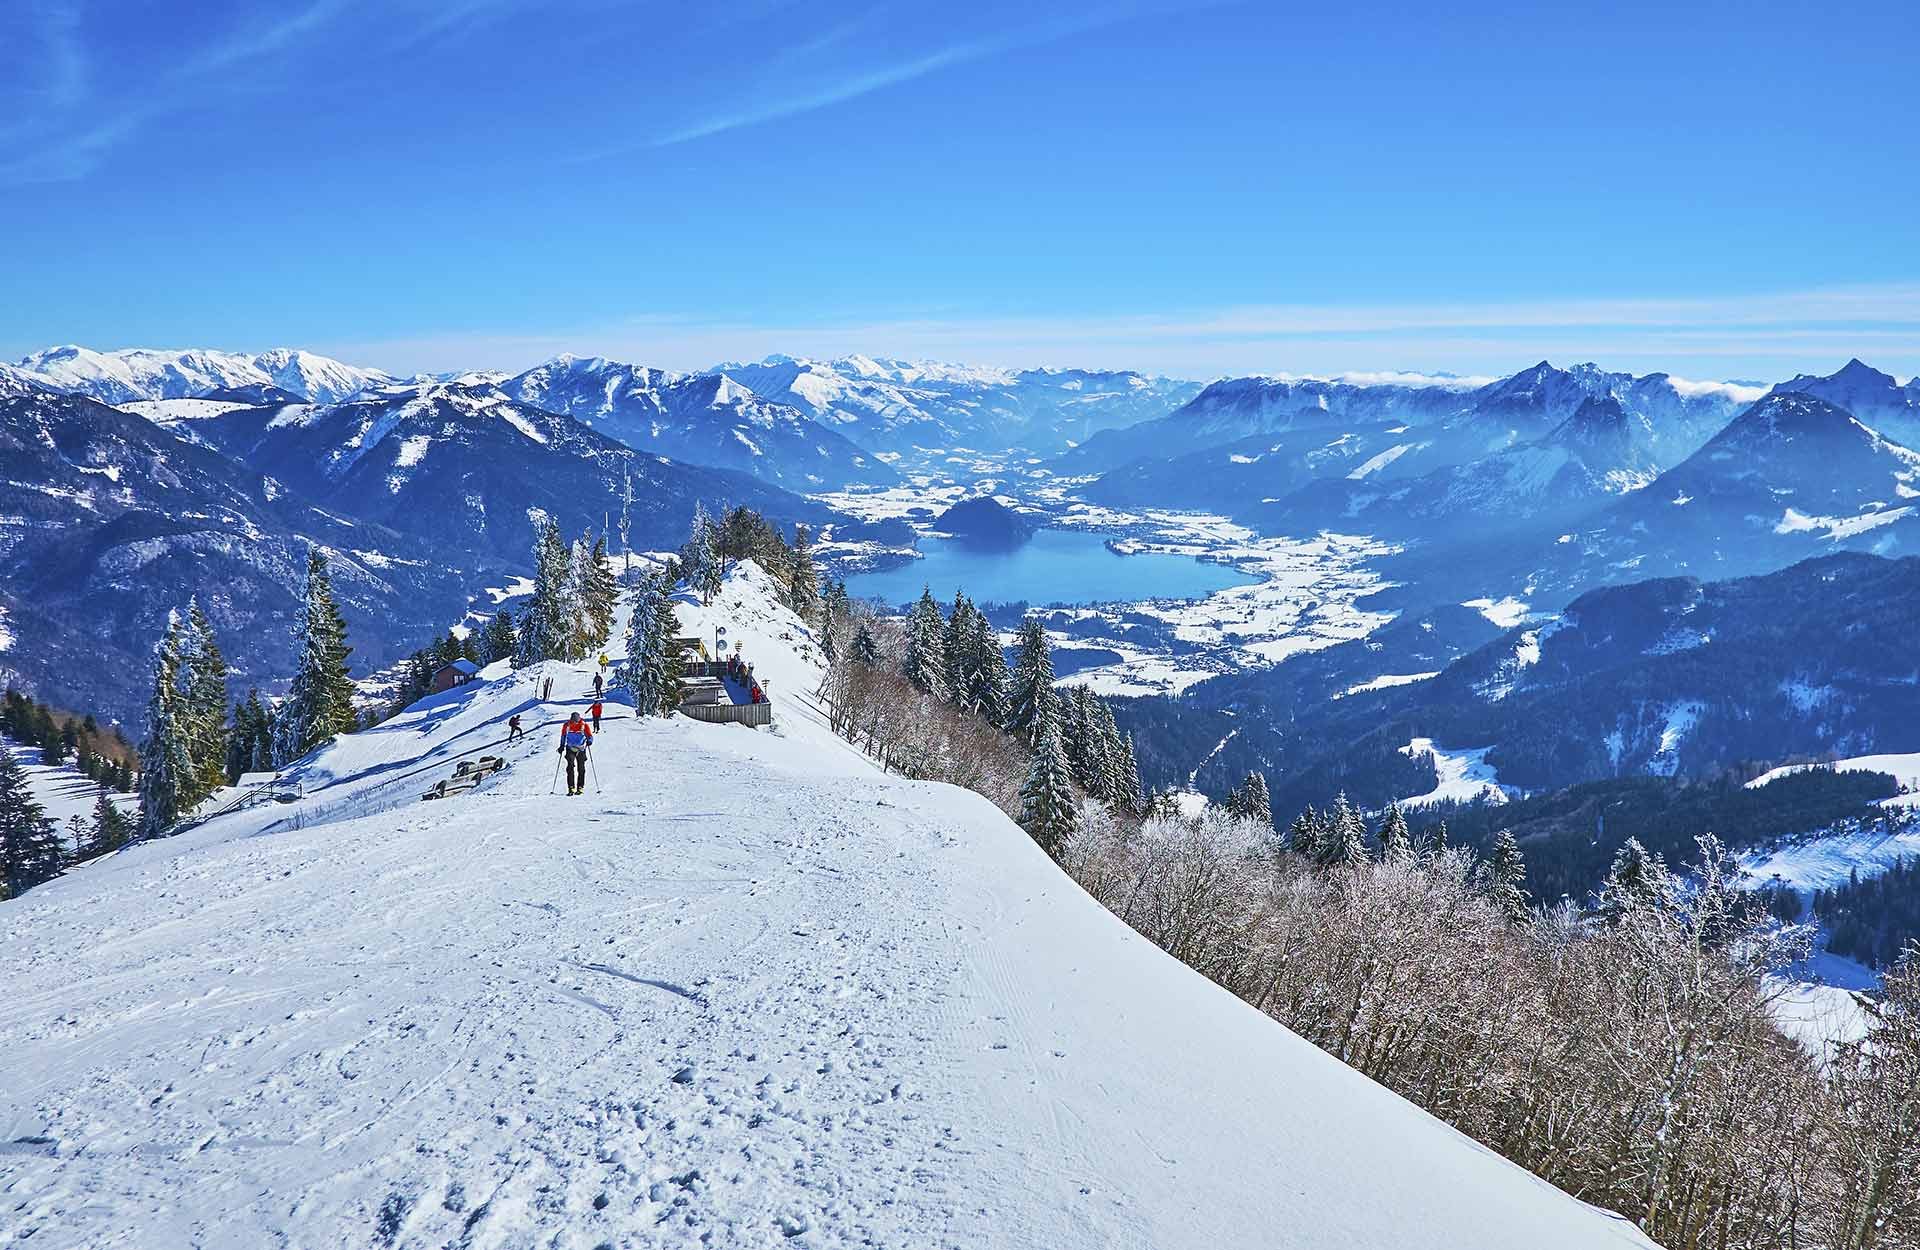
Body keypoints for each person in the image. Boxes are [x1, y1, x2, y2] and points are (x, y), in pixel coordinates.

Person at [556, 711, 594, 795]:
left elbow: (590, 736)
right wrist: (561, 746)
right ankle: (571, 788)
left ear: (579, 719)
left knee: (581, 769)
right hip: (570, 748)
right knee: (570, 767)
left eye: (576, 721)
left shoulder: (584, 725)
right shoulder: (567, 725)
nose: (574, 722)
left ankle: (580, 787)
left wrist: (590, 741)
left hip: (581, 749)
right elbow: (563, 736)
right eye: (573, 721)